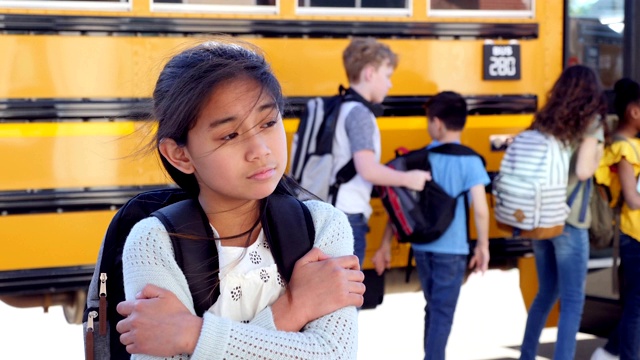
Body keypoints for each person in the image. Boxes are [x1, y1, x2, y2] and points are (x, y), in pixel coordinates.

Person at [114, 38, 366, 359]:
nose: (260, 149)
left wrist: (191, 336)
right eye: (230, 135)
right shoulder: (155, 242)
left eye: (269, 122)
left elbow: (334, 354)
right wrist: (293, 307)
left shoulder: (321, 226)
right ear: (180, 154)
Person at [372, 91, 491, 360]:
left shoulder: (421, 159)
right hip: (453, 250)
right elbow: (481, 210)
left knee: (433, 307)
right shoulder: (471, 161)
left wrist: (385, 245)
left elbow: (401, 205)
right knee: (441, 311)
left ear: (437, 123)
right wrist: (483, 245)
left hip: (422, 246)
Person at [518, 65, 607, 360]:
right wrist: (598, 153)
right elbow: (583, 171)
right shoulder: (591, 122)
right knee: (572, 300)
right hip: (569, 220)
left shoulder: (544, 120)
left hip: (540, 217)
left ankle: (527, 355)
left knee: (546, 293)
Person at [336, 37, 430, 265]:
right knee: (348, 297)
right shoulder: (360, 115)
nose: (390, 85)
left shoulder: (340, 107)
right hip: (347, 216)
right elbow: (367, 170)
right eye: (387, 76)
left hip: (332, 211)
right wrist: (409, 179)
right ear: (370, 73)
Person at [591, 77, 640, 360]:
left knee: (636, 303)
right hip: (634, 235)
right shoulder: (624, 148)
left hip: (633, 235)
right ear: (633, 111)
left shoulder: (628, 144)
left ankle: (609, 352)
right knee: (635, 305)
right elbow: (632, 199)